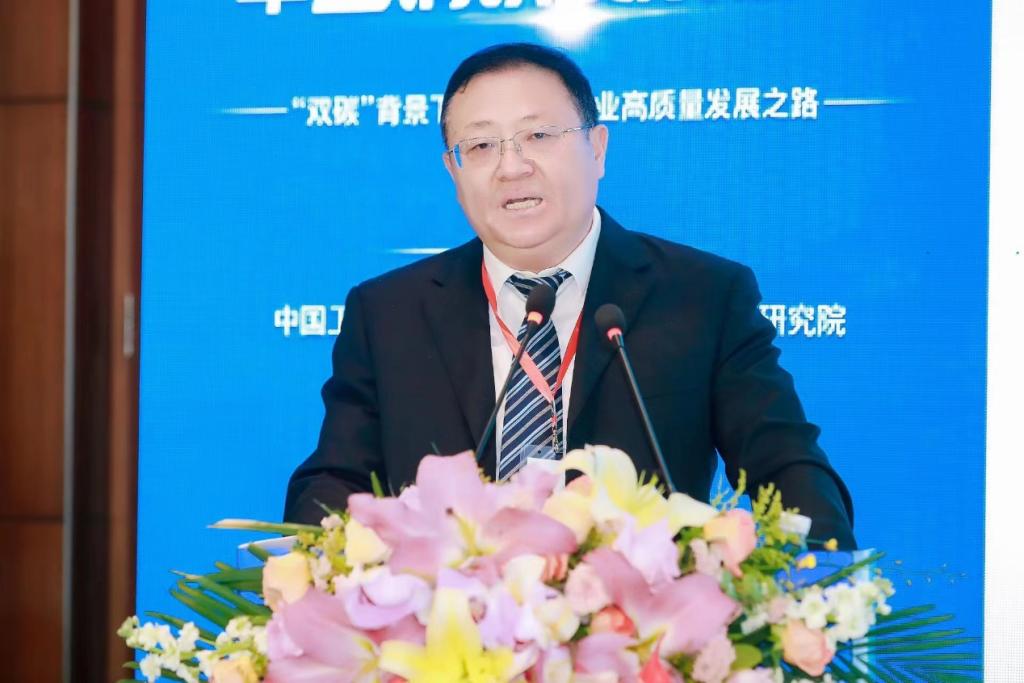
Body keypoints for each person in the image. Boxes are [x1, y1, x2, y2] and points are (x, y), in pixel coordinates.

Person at [284, 42, 856, 548]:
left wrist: (813, 584)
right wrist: (324, 568)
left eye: (538, 136)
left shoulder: (703, 296)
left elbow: (786, 464)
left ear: (598, 148)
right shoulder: (389, 313)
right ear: (453, 172)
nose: (511, 167)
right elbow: (335, 481)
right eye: (479, 146)